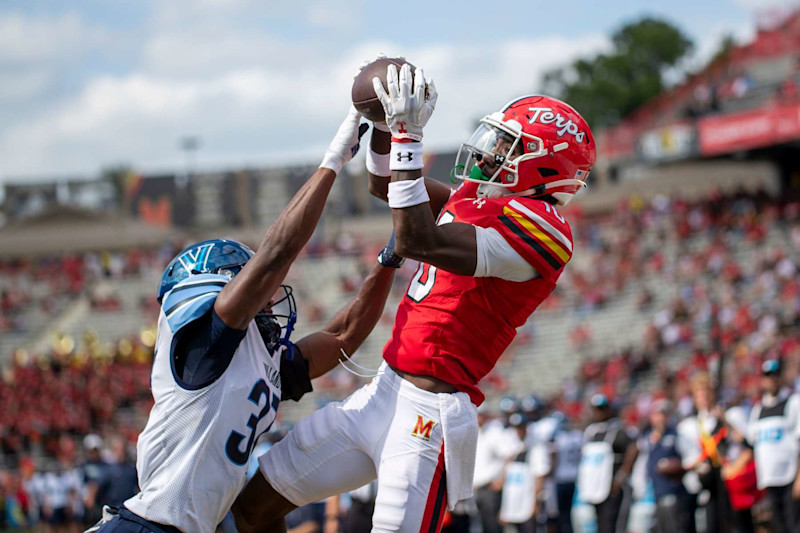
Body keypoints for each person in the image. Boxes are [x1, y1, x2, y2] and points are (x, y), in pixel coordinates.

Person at [233, 63, 595, 533]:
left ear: (546, 164)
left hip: (430, 415)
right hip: (381, 391)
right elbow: (386, 185)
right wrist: (384, 126)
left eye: (508, 146)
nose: (490, 154)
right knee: (251, 507)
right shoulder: (477, 196)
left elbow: (415, 238)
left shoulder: (545, 230)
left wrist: (407, 133)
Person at [90, 106, 400, 533]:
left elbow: (344, 334)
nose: (272, 305)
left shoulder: (261, 360)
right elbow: (275, 255)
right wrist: (333, 162)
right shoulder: (204, 344)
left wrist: (392, 255)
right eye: (258, 292)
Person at [747, 359, 800, 533]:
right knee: (778, 525)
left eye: (775, 376)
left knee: (794, 524)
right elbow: (751, 441)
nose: (772, 380)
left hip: (790, 477)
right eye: (768, 376)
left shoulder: (793, 402)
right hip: (769, 478)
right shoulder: (758, 409)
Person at [576, 394, 637, 533]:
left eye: (602, 409)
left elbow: (633, 449)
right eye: (596, 409)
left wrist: (621, 477)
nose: (598, 413)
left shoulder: (617, 430)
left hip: (612, 489)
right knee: (600, 526)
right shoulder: (592, 432)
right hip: (597, 488)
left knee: (612, 526)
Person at [640, 400, 694, 533]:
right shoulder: (647, 438)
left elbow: (692, 457)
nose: (660, 418)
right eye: (657, 414)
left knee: (675, 527)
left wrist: (679, 469)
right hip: (654, 493)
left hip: (673, 491)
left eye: (663, 414)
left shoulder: (676, 435)